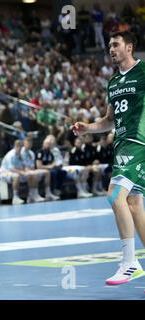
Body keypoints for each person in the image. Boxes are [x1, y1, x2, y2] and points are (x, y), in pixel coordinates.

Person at [71, 31, 145, 287]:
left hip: (139, 142)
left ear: (129, 47)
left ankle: (130, 263)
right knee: (134, 204)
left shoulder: (143, 71)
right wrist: (87, 128)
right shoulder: (113, 82)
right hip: (122, 143)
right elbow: (108, 121)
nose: (111, 49)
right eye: (109, 45)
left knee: (114, 195)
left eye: (115, 44)